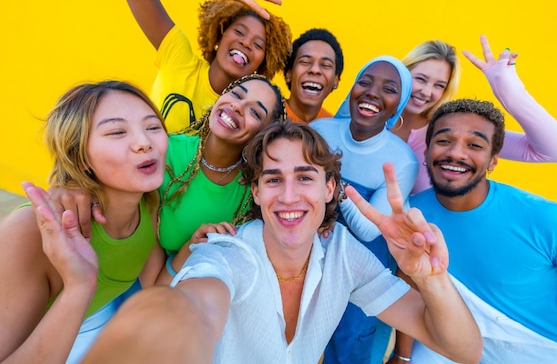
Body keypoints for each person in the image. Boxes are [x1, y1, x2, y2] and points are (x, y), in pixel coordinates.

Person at [80, 121, 482, 364]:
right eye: (273, 179)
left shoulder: (344, 253)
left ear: (330, 190)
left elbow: (463, 349)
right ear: (255, 193)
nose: (289, 196)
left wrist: (429, 278)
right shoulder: (229, 253)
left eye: (305, 177)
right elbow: (193, 304)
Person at [0, 81, 169, 364]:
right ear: (79, 155)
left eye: (153, 127)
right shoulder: (28, 231)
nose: (145, 142)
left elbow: (155, 285)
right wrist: (79, 287)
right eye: (117, 131)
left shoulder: (149, 204)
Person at [408, 99, 557, 363]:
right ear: (427, 150)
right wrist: (401, 356)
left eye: (475, 145)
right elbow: (410, 297)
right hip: (455, 351)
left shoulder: (547, 218)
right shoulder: (410, 216)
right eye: (443, 141)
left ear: (493, 160)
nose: (456, 153)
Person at [50, 74, 286, 281]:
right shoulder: (161, 149)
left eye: (255, 111)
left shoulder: (250, 197)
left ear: (263, 134)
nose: (237, 106)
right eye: (236, 94)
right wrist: (70, 184)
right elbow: (92, 170)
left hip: (166, 290)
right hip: (101, 268)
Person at [340, 36, 557, 194]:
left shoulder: (452, 134)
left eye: (439, 85)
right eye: (420, 79)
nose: (426, 91)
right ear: (401, 73)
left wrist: (508, 89)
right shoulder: (360, 115)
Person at [113, 0, 292, 132]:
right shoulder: (178, 58)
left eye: (257, 44)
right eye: (239, 32)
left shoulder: (246, 118)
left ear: (262, 65)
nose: (246, 43)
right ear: (218, 36)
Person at [314, 56, 417, 364]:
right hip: (312, 259)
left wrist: (332, 180)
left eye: (389, 88)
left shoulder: (401, 160)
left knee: (348, 349)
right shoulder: (320, 130)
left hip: (364, 275)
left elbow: (369, 229)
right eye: (365, 81)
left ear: (398, 105)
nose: (372, 92)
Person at [283, 28, 344, 123]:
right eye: (305, 62)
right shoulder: (266, 116)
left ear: (336, 80)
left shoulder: (333, 131)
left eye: (325, 65)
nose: (315, 70)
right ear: (289, 73)